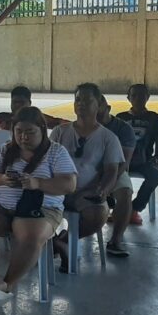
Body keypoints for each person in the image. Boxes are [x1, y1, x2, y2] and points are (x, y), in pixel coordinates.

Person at [0, 107, 77, 309]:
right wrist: (3, 179)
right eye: (19, 131)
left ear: (42, 130)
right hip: (2, 207)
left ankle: (7, 285)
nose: (23, 137)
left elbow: (69, 184)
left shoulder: (56, 151)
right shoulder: (6, 150)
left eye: (30, 132)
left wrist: (37, 183)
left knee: (30, 236)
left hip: (42, 208)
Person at [49, 83, 123, 270]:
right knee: (27, 208)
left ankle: (62, 242)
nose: (81, 104)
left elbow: (111, 171)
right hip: (56, 189)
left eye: (87, 100)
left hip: (86, 192)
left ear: (99, 105)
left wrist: (101, 191)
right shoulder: (60, 132)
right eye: (78, 99)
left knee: (98, 214)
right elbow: (45, 160)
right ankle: (50, 242)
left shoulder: (108, 138)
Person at [116, 83, 158, 223]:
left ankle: (134, 209)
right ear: (128, 98)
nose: (138, 99)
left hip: (144, 160)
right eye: (134, 95)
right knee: (105, 172)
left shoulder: (155, 118)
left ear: (148, 97)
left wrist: (157, 157)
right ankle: (116, 208)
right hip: (122, 160)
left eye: (141, 95)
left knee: (155, 174)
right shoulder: (120, 118)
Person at [98, 100, 136, 258]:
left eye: (98, 107)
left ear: (108, 108)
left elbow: (124, 162)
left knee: (125, 193)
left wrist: (109, 182)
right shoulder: (79, 126)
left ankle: (116, 240)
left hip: (115, 169)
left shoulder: (123, 129)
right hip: (86, 169)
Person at [0, 86, 64, 133]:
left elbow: (64, 125)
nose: (17, 106)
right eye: (14, 102)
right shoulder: (2, 118)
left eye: (21, 102)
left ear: (30, 103)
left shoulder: (38, 118)